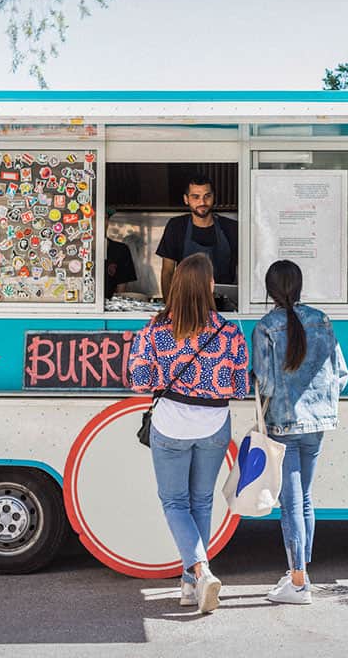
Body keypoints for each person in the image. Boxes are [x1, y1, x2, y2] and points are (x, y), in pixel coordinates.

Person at [128, 253, 249, 612]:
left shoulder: (156, 328)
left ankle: (199, 569)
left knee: (175, 503)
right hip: (213, 424)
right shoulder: (229, 331)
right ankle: (190, 583)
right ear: (210, 287)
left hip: (171, 425)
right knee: (201, 502)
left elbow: (138, 380)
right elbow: (239, 386)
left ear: (176, 286)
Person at [251, 260, 348, 605]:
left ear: (270, 291)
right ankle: (300, 573)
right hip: (319, 423)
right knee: (304, 499)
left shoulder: (266, 327)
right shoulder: (322, 320)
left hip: (284, 423)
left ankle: (297, 582)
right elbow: (341, 374)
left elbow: (266, 382)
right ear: (300, 286)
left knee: (290, 504)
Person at [155, 173, 238, 300]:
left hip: (225, 304)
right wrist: (170, 307)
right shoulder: (176, 227)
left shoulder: (231, 228)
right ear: (186, 199)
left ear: (213, 197)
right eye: (195, 197)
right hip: (185, 303)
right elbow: (167, 272)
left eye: (207, 196)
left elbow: (244, 270)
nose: (202, 202)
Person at [104, 208, 137, 300]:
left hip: (110, 308)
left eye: (105, 218)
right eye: (94, 218)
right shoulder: (77, 249)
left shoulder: (121, 250)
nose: (101, 222)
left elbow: (121, 289)